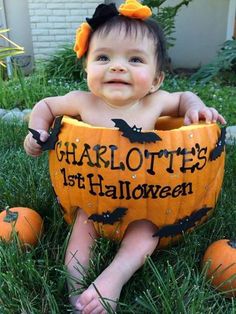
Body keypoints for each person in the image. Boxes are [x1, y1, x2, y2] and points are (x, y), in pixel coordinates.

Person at [24, 1, 226, 313]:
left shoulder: (156, 103)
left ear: (157, 79)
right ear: (87, 68)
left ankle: (113, 277)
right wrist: (36, 132)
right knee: (82, 225)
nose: (117, 66)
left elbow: (184, 97)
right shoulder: (82, 102)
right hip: (92, 197)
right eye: (104, 57)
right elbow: (45, 106)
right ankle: (76, 290)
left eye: (134, 59)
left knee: (147, 233)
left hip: (147, 200)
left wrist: (195, 107)